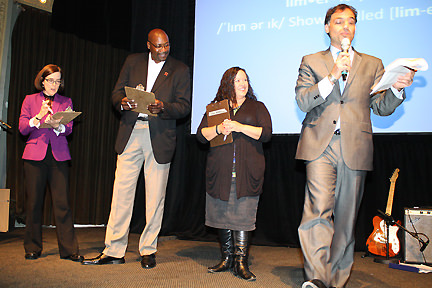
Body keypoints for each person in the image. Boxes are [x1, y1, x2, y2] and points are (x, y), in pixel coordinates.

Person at [295, 4, 416, 288]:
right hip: (319, 146)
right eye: (338, 22)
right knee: (317, 211)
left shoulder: (372, 64)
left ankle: (335, 280)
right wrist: (333, 74)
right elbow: (302, 100)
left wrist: (398, 88)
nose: (345, 27)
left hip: (355, 146)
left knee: (346, 220)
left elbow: (381, 107)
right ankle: (316, 279)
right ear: (327, 28)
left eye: (351, 22)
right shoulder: (311, 61)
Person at [82, 28, 191, 268]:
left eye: (167, 45)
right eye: (158, 46)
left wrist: (163, 107)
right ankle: (113, 250)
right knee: (121, 193)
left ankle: (148, 250)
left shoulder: (180, 70)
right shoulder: (132, 62)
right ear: (149, 45)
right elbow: (115, 93)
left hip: (159, 135)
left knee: (155, 197)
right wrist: (122, 102)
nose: (163, 50)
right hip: (131, 131)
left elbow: (183, 107)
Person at [196, 67, 272, 281]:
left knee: (242, 217)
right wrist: (219, 129)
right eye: (238, 80)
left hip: (246, 173)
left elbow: (265, 134)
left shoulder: (257, 107)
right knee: (221, 215)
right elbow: (201, 136)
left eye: (245, 80)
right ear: (228, 83)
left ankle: (241, 262)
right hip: (220, 172)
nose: (243, 83)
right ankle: (226, 259)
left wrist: (239, 126)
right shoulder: (216, 108)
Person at [19, 64, 82, 262]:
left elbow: (69, 128)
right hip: (34, 157)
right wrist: (38, 116)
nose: (54, 84)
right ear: (42, 81)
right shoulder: (30, 100)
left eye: (58, 80)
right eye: (50, 80)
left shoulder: (66, 101)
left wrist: (58, 126)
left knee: (62, 204)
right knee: (34, 203)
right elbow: (22, 128)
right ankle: (32, 247)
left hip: (59, 157)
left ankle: (69, 249)